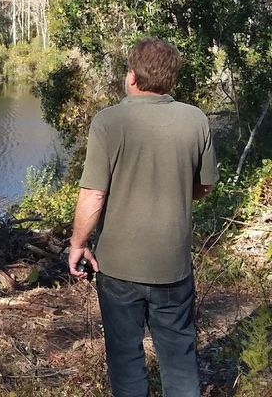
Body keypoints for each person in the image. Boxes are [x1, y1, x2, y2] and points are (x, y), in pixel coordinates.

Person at [67, 37, 219, 397]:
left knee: (125, 360)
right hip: (173, 266)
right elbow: (205, 187)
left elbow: (94, 194)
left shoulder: (108, 121)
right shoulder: (195, 120)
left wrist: (78, 244)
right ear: (170, 80)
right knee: (179, 360)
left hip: (117, 267)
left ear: (132, 76)